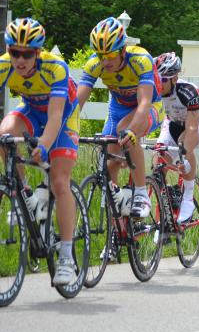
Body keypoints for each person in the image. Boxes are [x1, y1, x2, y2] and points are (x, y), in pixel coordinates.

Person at [0, 17, 80, 285]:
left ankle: (67, 256)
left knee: (59, 182)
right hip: (33, 112)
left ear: (37, 52)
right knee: (4, 133)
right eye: (14, 52)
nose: (19, 60)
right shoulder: (3, 66)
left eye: (26, 54)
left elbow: (56, 116)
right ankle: (25, 193)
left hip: (63, 117)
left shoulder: (55, 67)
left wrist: (44, 145)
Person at [77, 17, 164, 218]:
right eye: (100, 56)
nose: (105, 61)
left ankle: (141, 194)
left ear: (122, 50)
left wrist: (133, 131)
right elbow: (76, 104)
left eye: (110, 55)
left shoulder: (140, 60)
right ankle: (116, 234)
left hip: (150, 106)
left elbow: (143, 103)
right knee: (108, 164)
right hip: (119, 108)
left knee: (125, 130)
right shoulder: (95, 64)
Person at [153, 52, 199, 222]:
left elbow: (192, 128)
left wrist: (184, 153)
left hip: (198, 122)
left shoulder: (187, 90)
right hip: (172, 122)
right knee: (160, 155)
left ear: (174, 78)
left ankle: (187, 197)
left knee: (184, 145)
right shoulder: (153, 90)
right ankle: (165, 209)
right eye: (157, 79)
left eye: (163, 80)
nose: (159, 84)